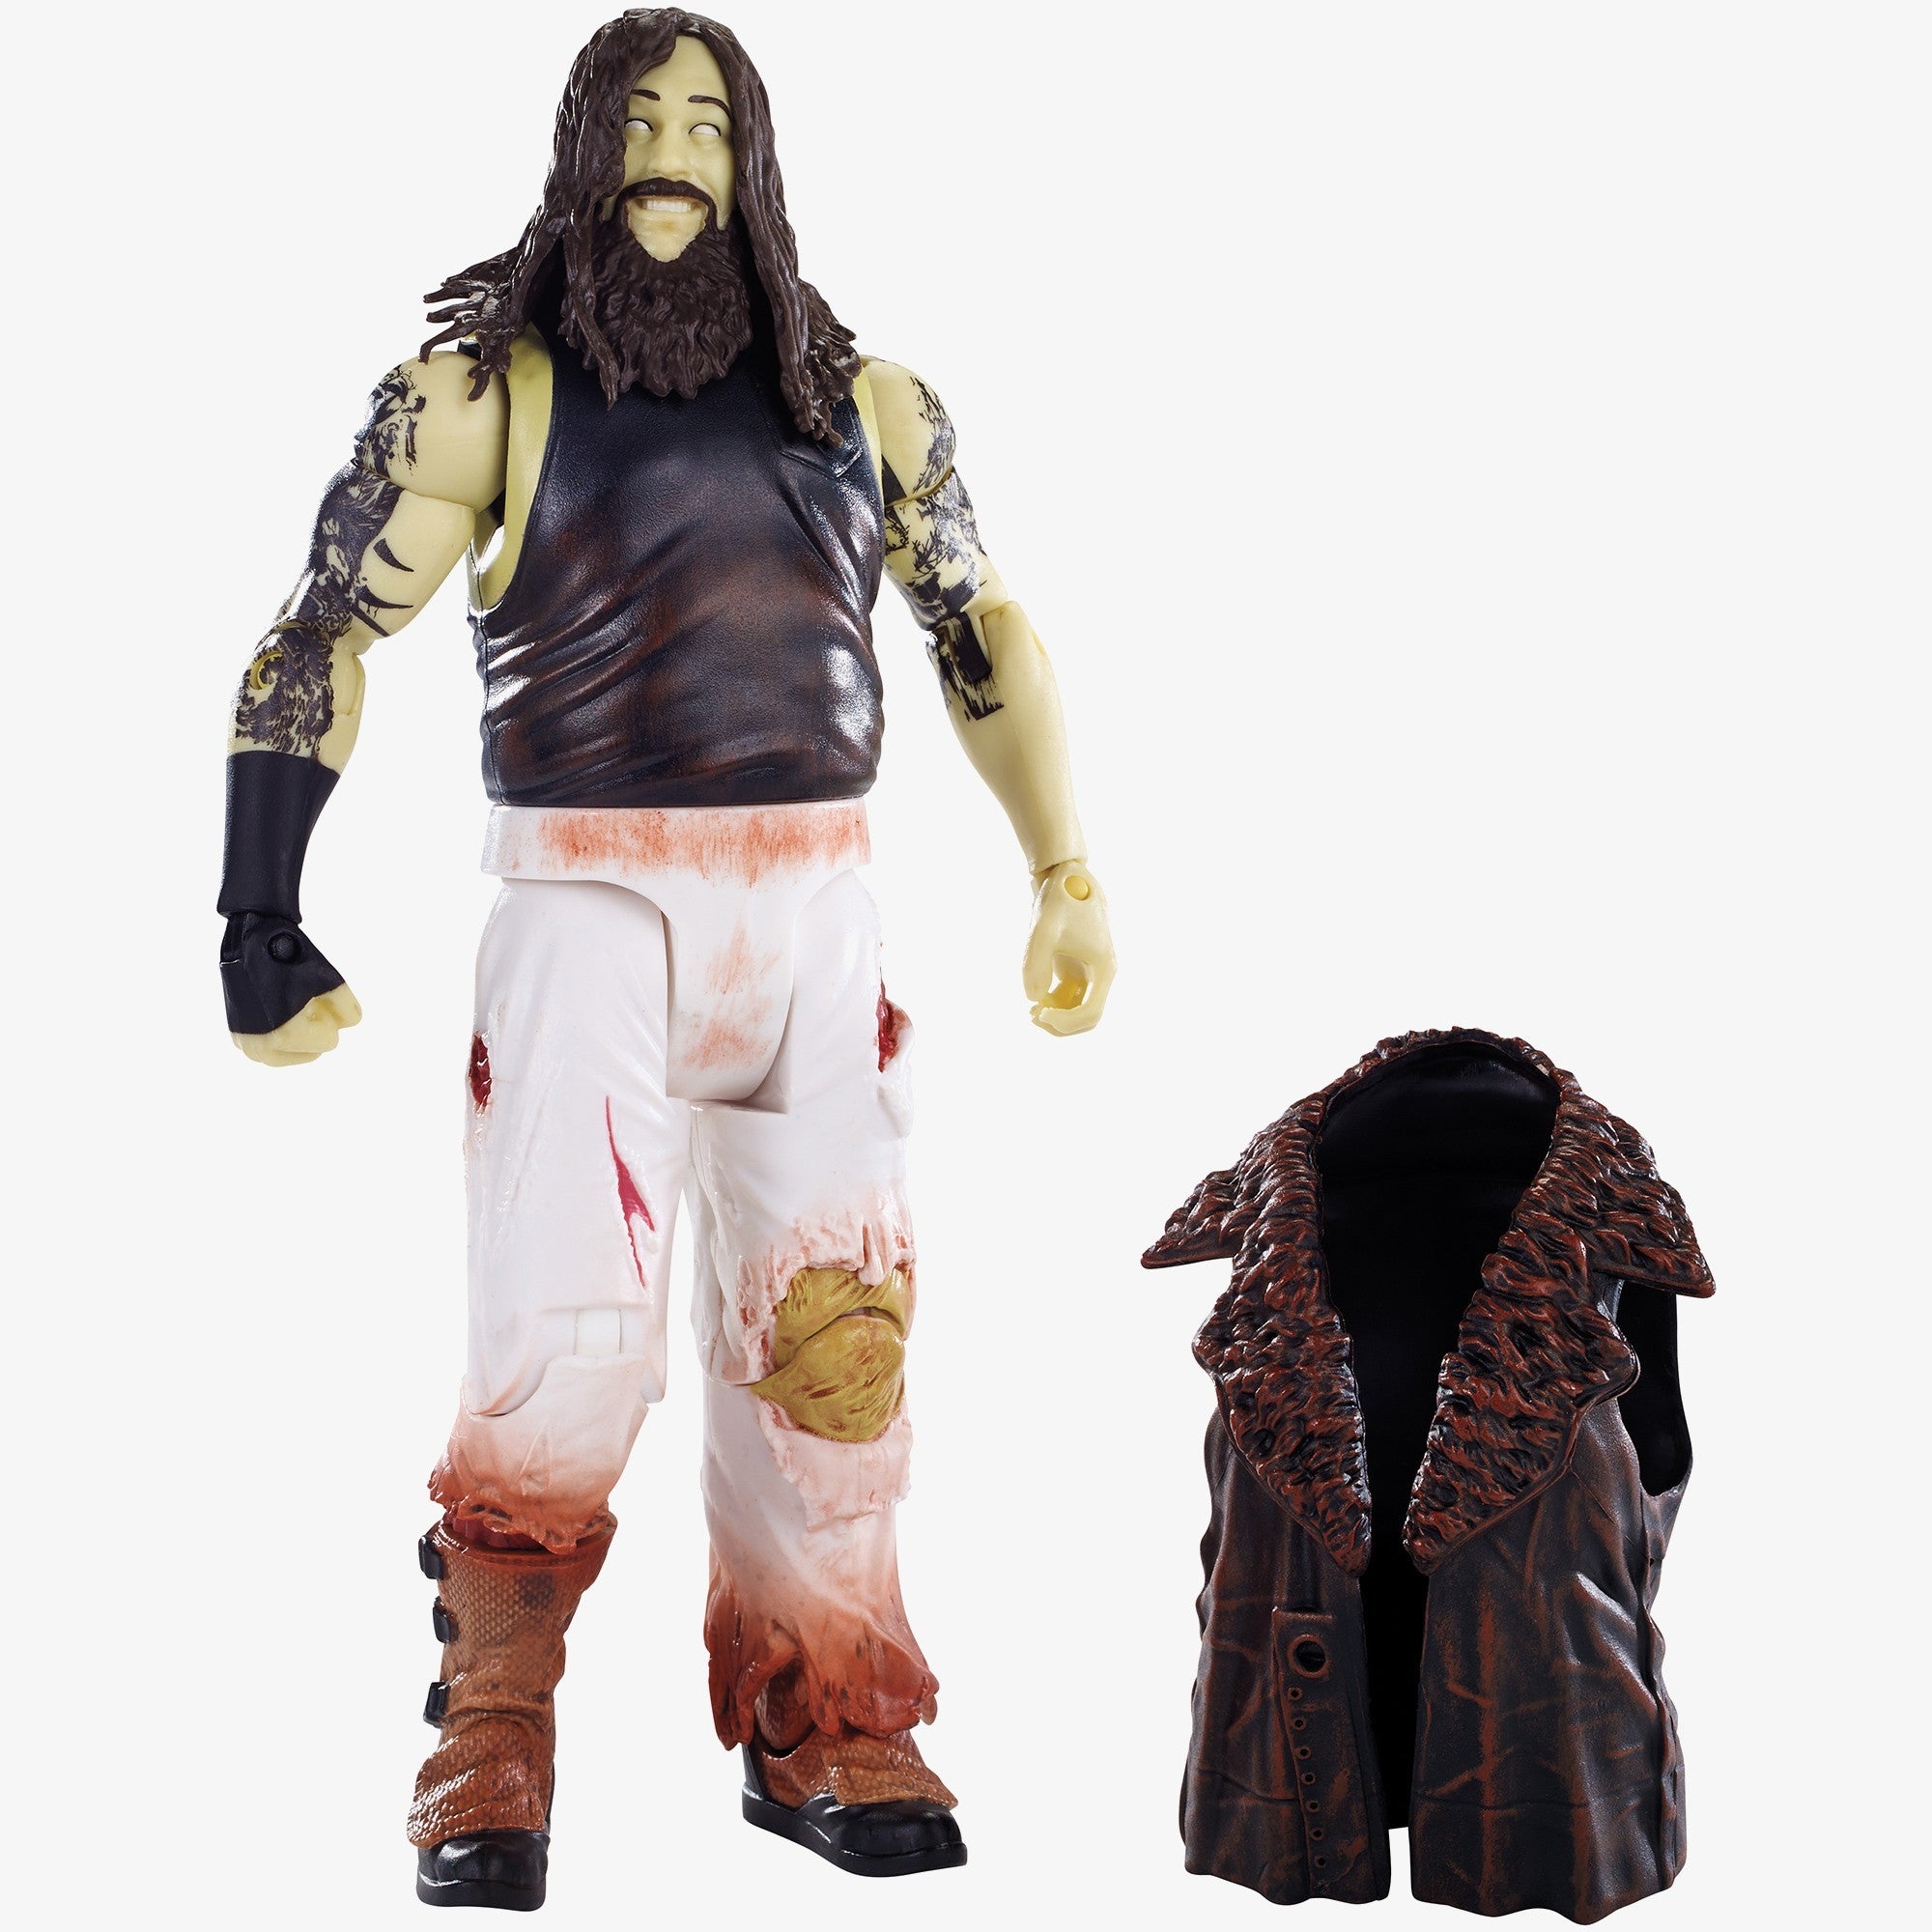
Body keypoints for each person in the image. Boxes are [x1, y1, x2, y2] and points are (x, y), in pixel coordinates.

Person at [216, 7, 1115, 1908]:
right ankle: (494, 1721)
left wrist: (1064, 866)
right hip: (585, 905)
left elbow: (982, 632)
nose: (671, 152)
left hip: (817, 908)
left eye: (707, 123)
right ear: (578, 151)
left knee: (840, 1337)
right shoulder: (481, 398)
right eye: (636, 119)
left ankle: (828, 1699)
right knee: (558, 1325)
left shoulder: (871, 408)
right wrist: (258, 907)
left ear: (754, 164)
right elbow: (320, 632)